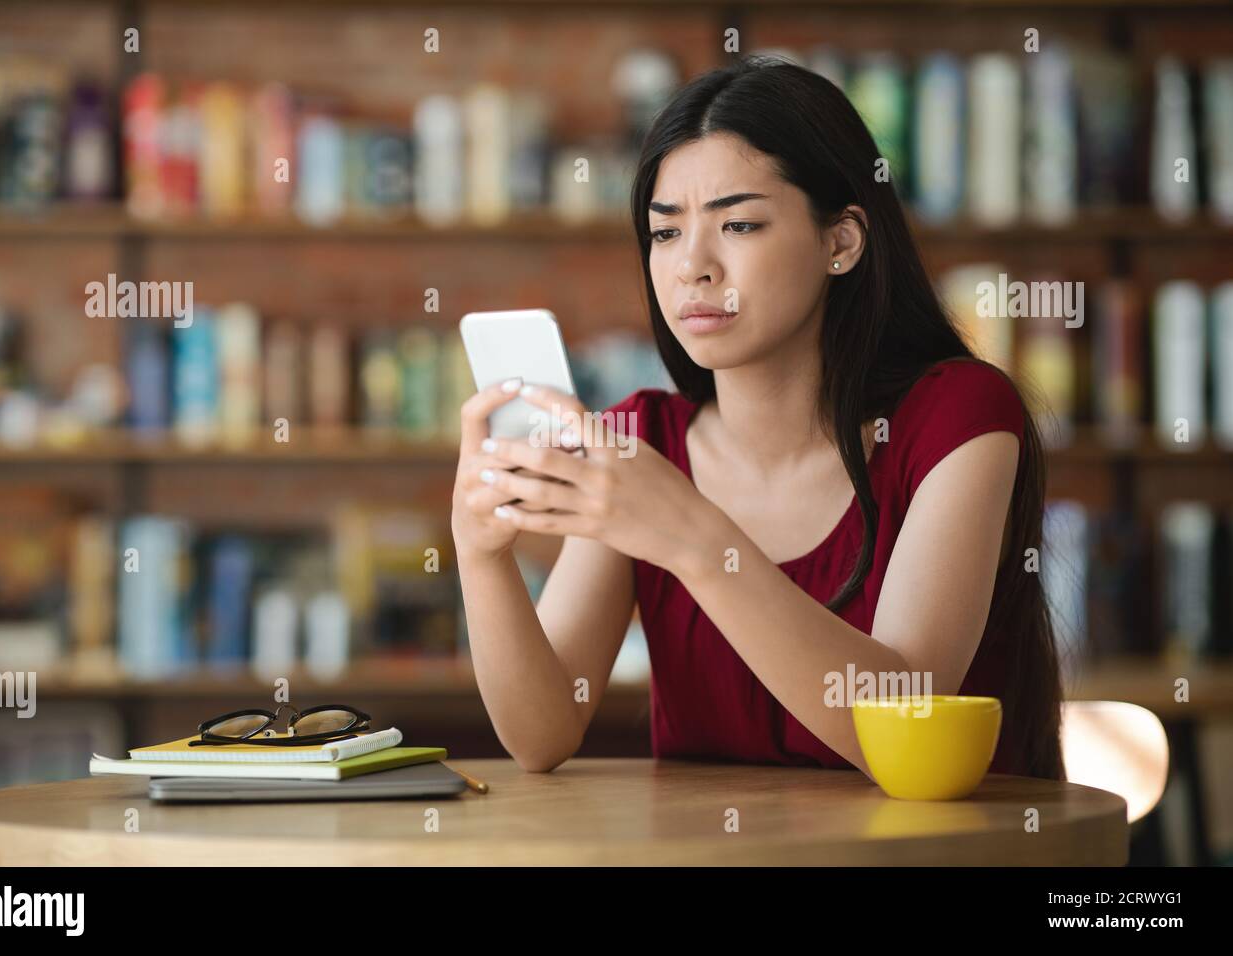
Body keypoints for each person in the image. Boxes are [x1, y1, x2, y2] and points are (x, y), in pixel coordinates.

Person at [450, 55, 1064, 781]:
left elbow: (903, 729)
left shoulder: (958, 416)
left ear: (842, 242)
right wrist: (480, 553)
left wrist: (693, 539)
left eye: (738, 225)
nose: (692, 268)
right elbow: (542, 732)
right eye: (666, 232)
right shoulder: (640, 442)